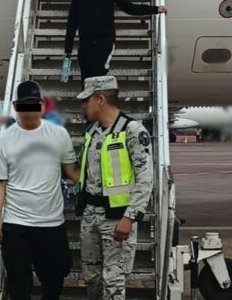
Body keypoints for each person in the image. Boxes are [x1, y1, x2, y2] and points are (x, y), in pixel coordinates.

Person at [0, 81, 80, 300]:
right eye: (24, 106)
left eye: (33, 105)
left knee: (55, 277)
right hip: (16, 224)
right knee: (19, 283)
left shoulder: (59, 135)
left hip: (51, 223)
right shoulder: (4, 141)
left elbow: (71, 171)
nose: (29, 111)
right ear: (15, 106)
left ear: (42, 105)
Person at [75, 76, 154, 300]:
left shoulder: (132, 130)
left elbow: (145, 179)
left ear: (100, 99)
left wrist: (129, 217)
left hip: (117, 218)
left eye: (87, 100)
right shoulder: (92, 132)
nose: (83, 106)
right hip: (90, 215)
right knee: (91, 275)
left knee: (113, 279)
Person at [64, 0, 167, 86]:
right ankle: (89, 98)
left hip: (105, 40)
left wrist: (154, 9)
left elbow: (129, 7)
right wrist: (68, 49)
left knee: (97, 74)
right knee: (86, 77)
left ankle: (98, 96)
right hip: (86, 41)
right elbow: (72, 21)